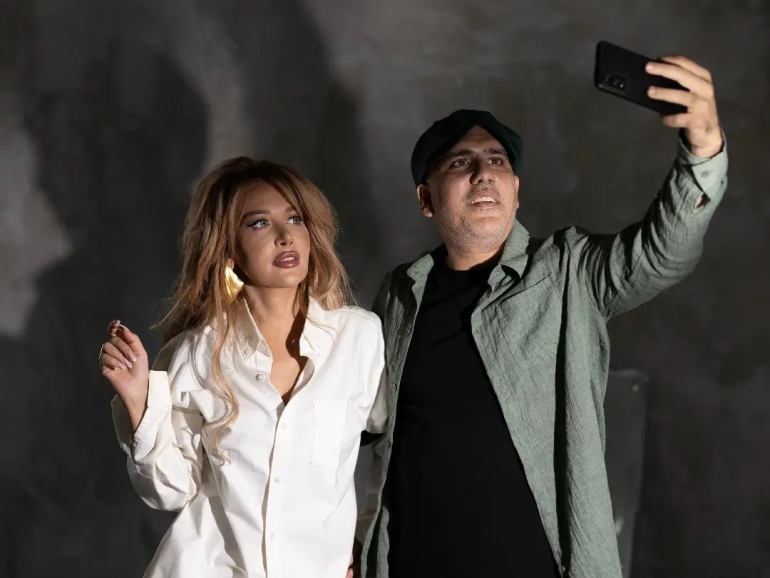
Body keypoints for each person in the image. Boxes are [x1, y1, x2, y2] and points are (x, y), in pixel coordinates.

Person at [357, 56, 727, 577]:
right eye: (460, 163)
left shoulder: (569, 270)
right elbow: (360, 428)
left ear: (515, 189)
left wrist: (703, 148)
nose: (484, 173)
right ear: (426, 198)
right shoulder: (399, 294)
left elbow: (662, 254)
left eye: (497, 161)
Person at [99, 158, 387, 578]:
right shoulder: (196, 353)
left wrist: (366, 541)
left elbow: (392, 450)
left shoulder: (359, 338)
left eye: (295, 218)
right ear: (229, 249)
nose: (286, 236)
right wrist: (138, 401)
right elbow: (170, 491)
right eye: (260, 223)